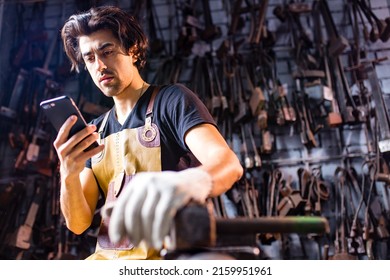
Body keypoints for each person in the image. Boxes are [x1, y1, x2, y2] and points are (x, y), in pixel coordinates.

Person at [54, 5, 243, 260]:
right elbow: (78, 223)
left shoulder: (172, 101)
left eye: (107, 51)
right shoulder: (94, 131)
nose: (99, 65)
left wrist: (185, 184)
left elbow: (229, 165)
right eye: (89, 58)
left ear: (132, 50)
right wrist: (68, 174)